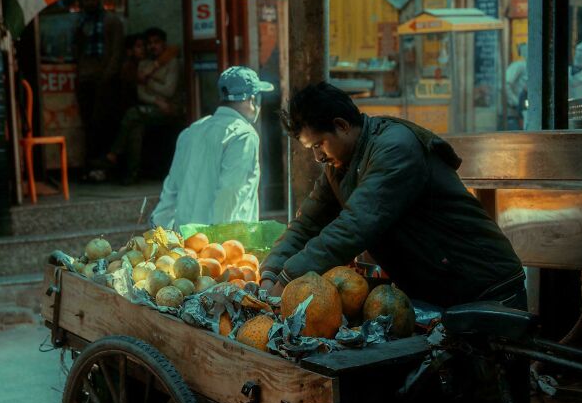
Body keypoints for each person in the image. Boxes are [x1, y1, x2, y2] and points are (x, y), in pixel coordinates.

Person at [259, 82, 525, 309]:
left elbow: (355, 225)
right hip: (439, 292)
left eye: (318, 144)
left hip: (485, 285)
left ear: (341, 125)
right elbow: (308, 223)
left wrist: (288, 277)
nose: (318, 157)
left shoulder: (395, 148)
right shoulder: (339, 166)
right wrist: (270, 273)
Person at [151, 66, 274, 230]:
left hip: (184, 243)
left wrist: (160, 231)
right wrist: (217, 244)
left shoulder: (191, 131)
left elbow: (170, 191)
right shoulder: (243, 136)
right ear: (252, 100)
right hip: (221, 248)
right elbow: (230, 193)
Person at [107, 27, 182, 185]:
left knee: (133, 115)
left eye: (156, 42)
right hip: (153, 109)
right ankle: (132, 173)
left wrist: (148, 78)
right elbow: (142, 94)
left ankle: (114, 153)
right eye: (149, 43)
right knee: (136, 127)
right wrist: (156, 100)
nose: (152, 46)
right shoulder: (143, 64)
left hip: (170, 110)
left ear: (163, 44)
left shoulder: (171, 62)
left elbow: (169, 91)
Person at [72, 0, 124, 172]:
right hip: (86, 78)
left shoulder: (111, 21)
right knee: (88, 124)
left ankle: (104, 166)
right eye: (86, 0)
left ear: (100, 0)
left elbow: (117, 53)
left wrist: (107, 76)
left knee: (103, 123)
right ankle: (92, 164)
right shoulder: (81, 22)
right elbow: (77, 50)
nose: (89, 3)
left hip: (105, 80)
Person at [504, 44, 527, 130]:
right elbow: (505, 84)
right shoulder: (519, 65)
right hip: (513, 114)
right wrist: (516, 102)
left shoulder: (530, 67)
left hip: (524, 113)